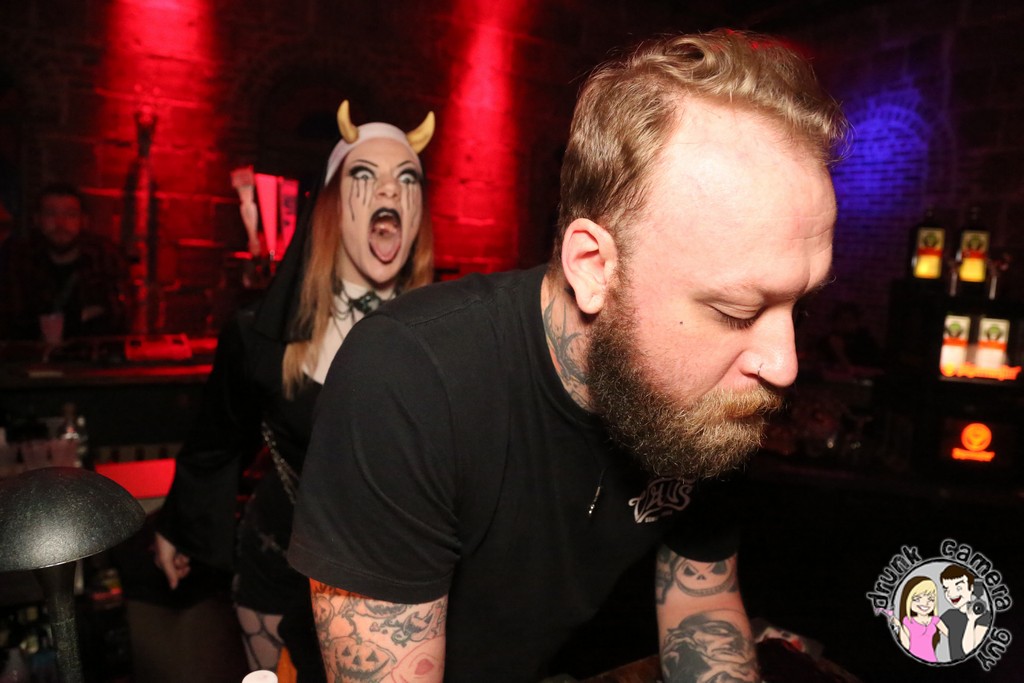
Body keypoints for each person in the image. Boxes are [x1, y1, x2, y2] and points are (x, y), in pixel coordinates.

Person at [289, 29, 848, 683]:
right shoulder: (409, 378)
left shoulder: (710, 391)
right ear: (593, 265)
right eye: (735, 311)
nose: (783, 364)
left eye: (798, 307)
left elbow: (699, 604)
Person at [153, 101, 436, 682]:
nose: (391, 189)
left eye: (408, 179)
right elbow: (216, 440)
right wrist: (180, 526)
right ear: (329, 204)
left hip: (400, 583)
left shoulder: (448, 334)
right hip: (279, 574)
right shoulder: (263, 336)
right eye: (366, 175)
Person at [0, 182, 130, 340]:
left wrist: (54, 322)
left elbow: (116, 318)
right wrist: (81, 316)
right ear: (37, 220)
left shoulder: (104, 257)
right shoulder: (19, 259)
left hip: (91, 353)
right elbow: (13, 321)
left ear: (83, 221)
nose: (60, 223)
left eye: (70, 214)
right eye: (50, 214)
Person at [939, 564, 991, 660]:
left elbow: (969, 650)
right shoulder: (949, 615)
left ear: (971, 587)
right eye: (946, 589)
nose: (951, 594)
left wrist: (971, 620)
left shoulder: (984, 616)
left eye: (958, 588)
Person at [890, 576, 947, 662]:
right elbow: (906, 645)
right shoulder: (908, 621)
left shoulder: (935, 620)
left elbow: (951, 635)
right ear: (908, 600)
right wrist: (899, 626)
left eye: (931, 599)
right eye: (917, 599)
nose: (925, 603)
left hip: (932, 659)